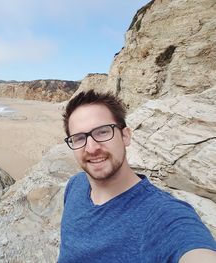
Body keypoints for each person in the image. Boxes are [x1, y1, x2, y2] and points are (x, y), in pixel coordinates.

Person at [58, 90, 216, 263]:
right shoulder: (76, 185)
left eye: (102, 132)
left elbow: (194, 249)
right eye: (79, 138)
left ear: (125, 136)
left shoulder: (163, 215)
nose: (91, 148)